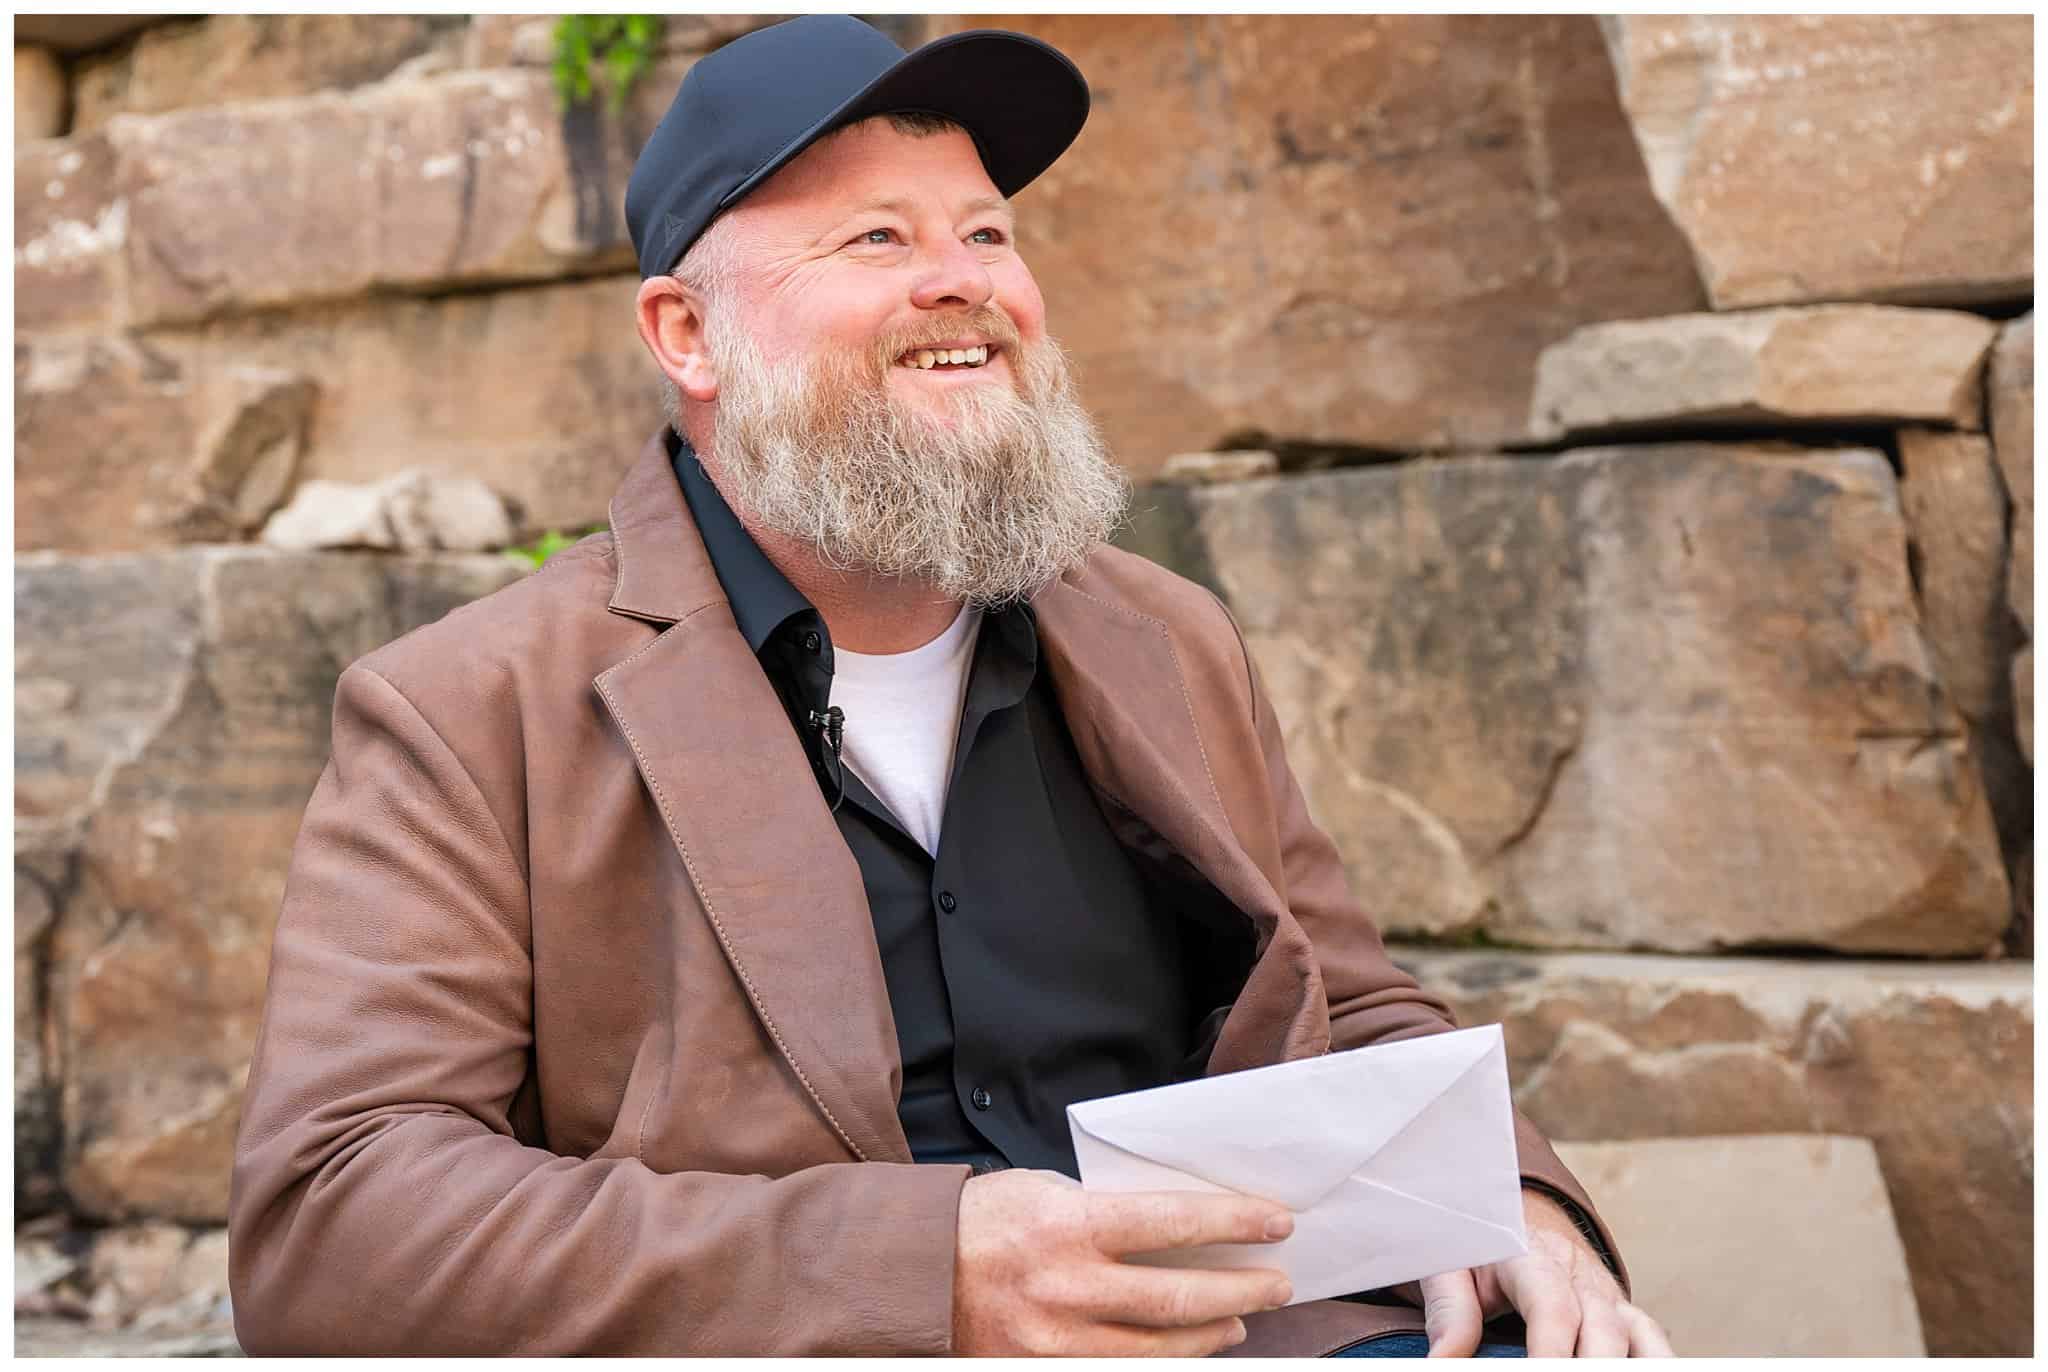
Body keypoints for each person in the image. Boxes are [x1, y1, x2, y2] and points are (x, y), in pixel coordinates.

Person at [228, 16, 1672, 1358]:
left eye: (988, 230)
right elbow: (335, 1221)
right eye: (876, 236)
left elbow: (1350, 1018)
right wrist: (924, 1268)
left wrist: (1517, 1198)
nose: (964, 277)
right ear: (687, 336)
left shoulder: (1169, 639)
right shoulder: (467, 707)